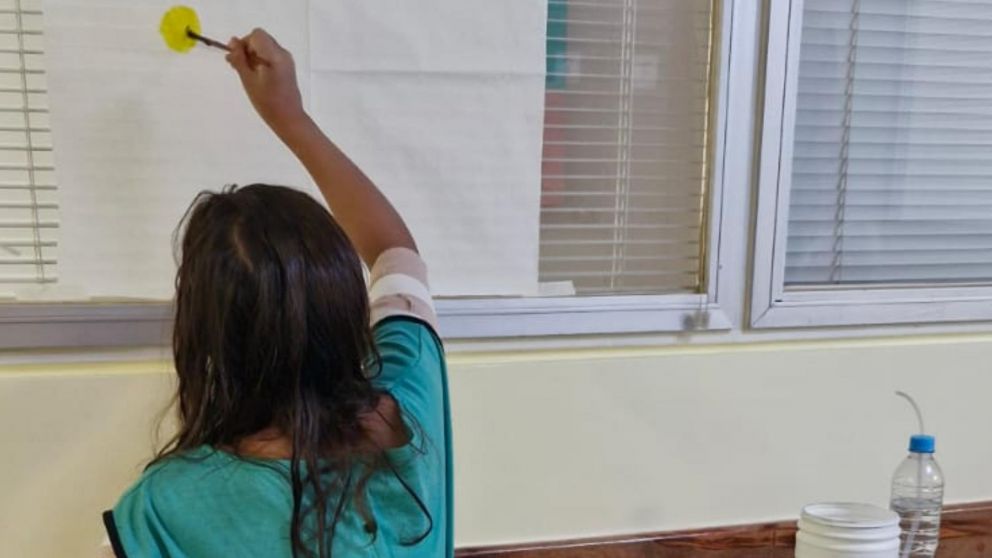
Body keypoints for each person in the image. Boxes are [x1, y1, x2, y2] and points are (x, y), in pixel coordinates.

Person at [98, 28, 452, 558]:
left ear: (203, 337)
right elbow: (396, 254)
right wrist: (291, 118)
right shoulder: (412, 401)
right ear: (345, 305)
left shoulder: (163, 508)